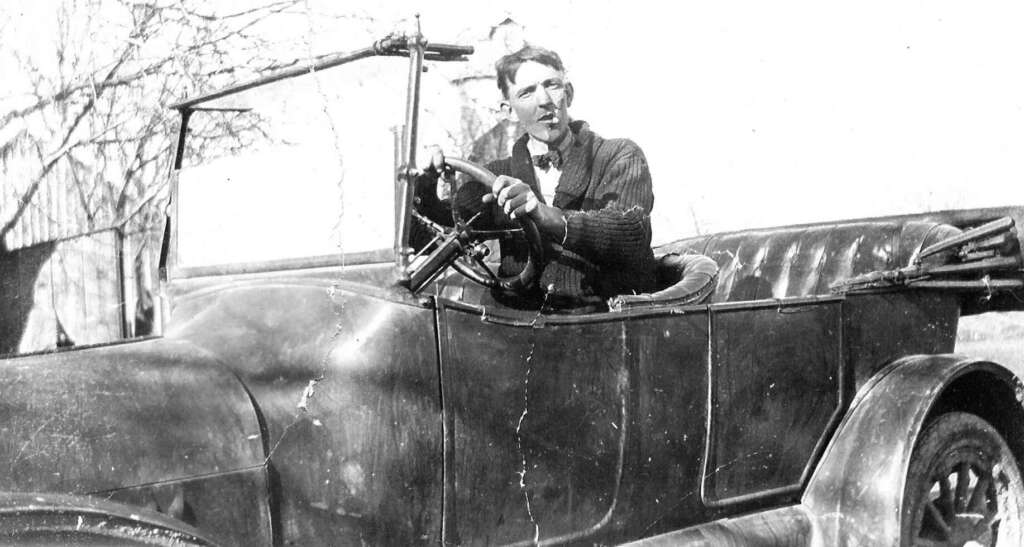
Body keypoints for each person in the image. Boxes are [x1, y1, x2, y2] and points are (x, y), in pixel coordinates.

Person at [416, 45, 656, 309]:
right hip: (517, 326)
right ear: (508, 110)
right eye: (527, 92)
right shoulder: (495, 176)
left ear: (569, 94)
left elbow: (631, 231)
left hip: (601, 324)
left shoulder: (618, 155)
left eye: (552, 85)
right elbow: (431, 238)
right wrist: (424, 184)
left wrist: (545, 215)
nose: (544, 100)